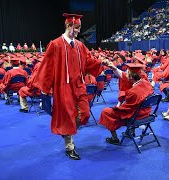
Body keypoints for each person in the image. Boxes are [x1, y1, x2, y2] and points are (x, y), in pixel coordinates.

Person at [32, 13, 110, 160]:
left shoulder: (80, 46)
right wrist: (46, 88)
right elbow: (47, 67)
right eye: (76, 27)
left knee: (85, 113)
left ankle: (66, 130)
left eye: (79, 28)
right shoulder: (55, 44)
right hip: (63, 86)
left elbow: (88, 63)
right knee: (67, 117)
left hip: (79, 84)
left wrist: (100, 63)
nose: (78, 31)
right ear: (68, 26)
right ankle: (70, 145)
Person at [99, 63, 154, 144]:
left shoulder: (132, 92)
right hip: (147, 113)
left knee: (106, 112)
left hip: (136, 116)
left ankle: (114, 138)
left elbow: (126, 110)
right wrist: (114, 68)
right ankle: (130, 131)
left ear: (131, 77)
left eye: (127, 73)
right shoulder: (146, 83)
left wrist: (117, 108)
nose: (126, 75)